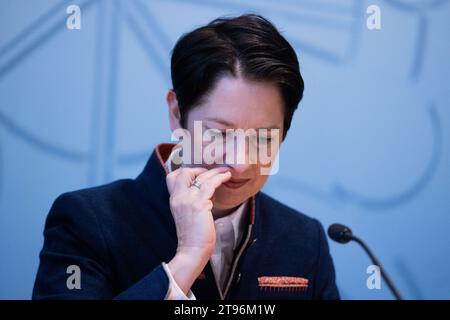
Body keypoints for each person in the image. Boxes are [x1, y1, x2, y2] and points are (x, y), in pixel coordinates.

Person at [33, 14, 339, 300]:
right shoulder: (86, 221)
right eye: (219, 134)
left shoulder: (304, 239)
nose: (241, 162)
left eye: (262, 138)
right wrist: (189, 258)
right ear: (177, 113)